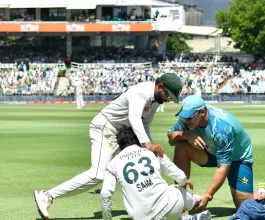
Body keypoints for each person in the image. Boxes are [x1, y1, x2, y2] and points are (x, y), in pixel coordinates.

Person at [34, 73, 183, 219]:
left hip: (123, 133)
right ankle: (47, 195)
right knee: (97, 174)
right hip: (105, 128)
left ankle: (163, 202)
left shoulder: (156, 100)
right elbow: (134, 117)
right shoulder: (141, 92)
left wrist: (150, 149)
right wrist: (147, 144)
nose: (168, 99)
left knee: (150, 158)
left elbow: (145, 124)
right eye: (168, 95)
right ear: (160, 86)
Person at [167, 95, 258, 211]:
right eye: (184, 116)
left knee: (245, 206)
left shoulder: (222, 128)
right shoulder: (187, 117)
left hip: (237, 158)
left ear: (202, 112)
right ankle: (182, 197)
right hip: (211, 150)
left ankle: (261, 193)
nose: (186, 120)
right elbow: (171, 138)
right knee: (181, 145)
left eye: (189, 117)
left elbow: (223, 167)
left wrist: (207, 195)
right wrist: (186, 135)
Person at [100, 126, 211, 220]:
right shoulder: (153, 152)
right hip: (171, 206)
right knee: (177, 189)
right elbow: (181, 177)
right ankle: (197, 204)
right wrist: (184, 180)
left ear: (120, 145)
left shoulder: (112, 164)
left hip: (141, 217)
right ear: (139, 139)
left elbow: (105, 194)